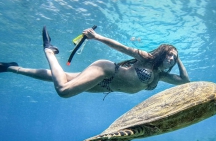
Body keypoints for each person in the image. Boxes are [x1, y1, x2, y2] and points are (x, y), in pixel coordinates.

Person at [0, 26, 190, 98]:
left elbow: (185, 81)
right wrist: (97, 37)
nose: (171, 58)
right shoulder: (146, 58)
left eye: (174, 57)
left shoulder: (161, 76)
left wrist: (179, 58)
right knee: (64, 91)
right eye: (169, 54)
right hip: (106, 70)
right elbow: (122, 47)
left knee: (62, 77)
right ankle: (50, 51)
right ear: (161, 54)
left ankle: (12, 68)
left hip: (106, 86)